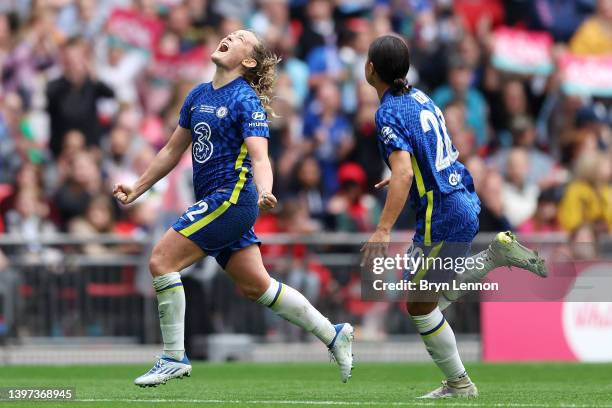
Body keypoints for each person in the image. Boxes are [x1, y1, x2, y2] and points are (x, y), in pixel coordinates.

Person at [113, 30, 354, 387]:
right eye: (231, 33)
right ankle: (333, 334)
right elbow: (170, 151)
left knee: (161, 261)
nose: (230, 36)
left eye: (241, 37)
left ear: (249, 61)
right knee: (258, 286)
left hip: (232, 199)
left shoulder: (245, 100)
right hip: (216, 201)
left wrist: (266, 190)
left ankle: (173, 357)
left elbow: (260, 156)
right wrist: (138, 186)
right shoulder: (197, 95)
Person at [361, 35, 547, 399]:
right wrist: (407, 171)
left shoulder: (387, 112)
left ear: (370, 69)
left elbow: (404, 173)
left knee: (419, 304)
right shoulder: (422, 97)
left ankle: (460, 383)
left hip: (442, 212)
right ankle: (495, 257)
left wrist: (383, 228)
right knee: (427, 297)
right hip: (462, 196)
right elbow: (430, 152)